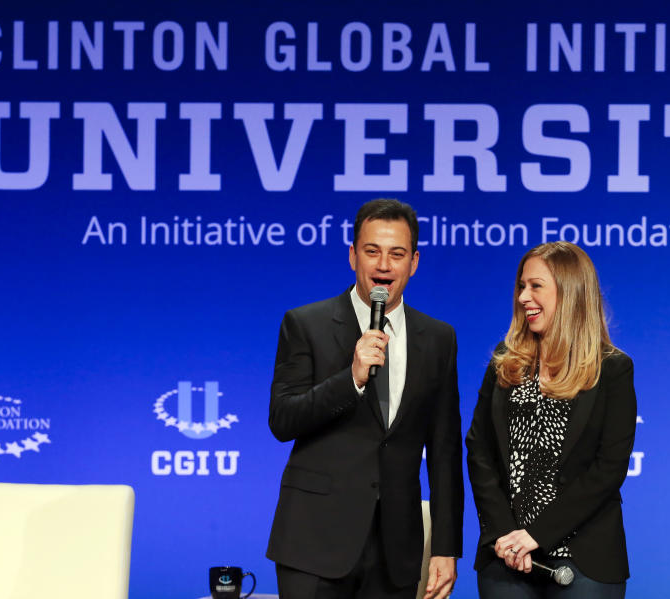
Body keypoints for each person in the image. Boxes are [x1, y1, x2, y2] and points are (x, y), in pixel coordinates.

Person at [267, 199, 464, 599]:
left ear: (414, 263)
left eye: (397, 254)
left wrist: (445, 547)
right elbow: (283, 419)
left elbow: (444, 451)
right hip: (314, 544)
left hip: (396, 551)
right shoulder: (306, 324)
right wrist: (351, 379)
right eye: (372, 251)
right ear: (353, 255)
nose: (384, 265)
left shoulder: (438, 338)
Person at [466, 242, 637, 598]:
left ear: (571, 291)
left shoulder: (611, 369)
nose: (523, 296)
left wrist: (536, 536)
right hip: (507, 558)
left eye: (536, 286)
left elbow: (608, 469)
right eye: (521, 286)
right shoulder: (506, 361)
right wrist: (504, 535)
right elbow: (479, 449)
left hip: (583, 561)